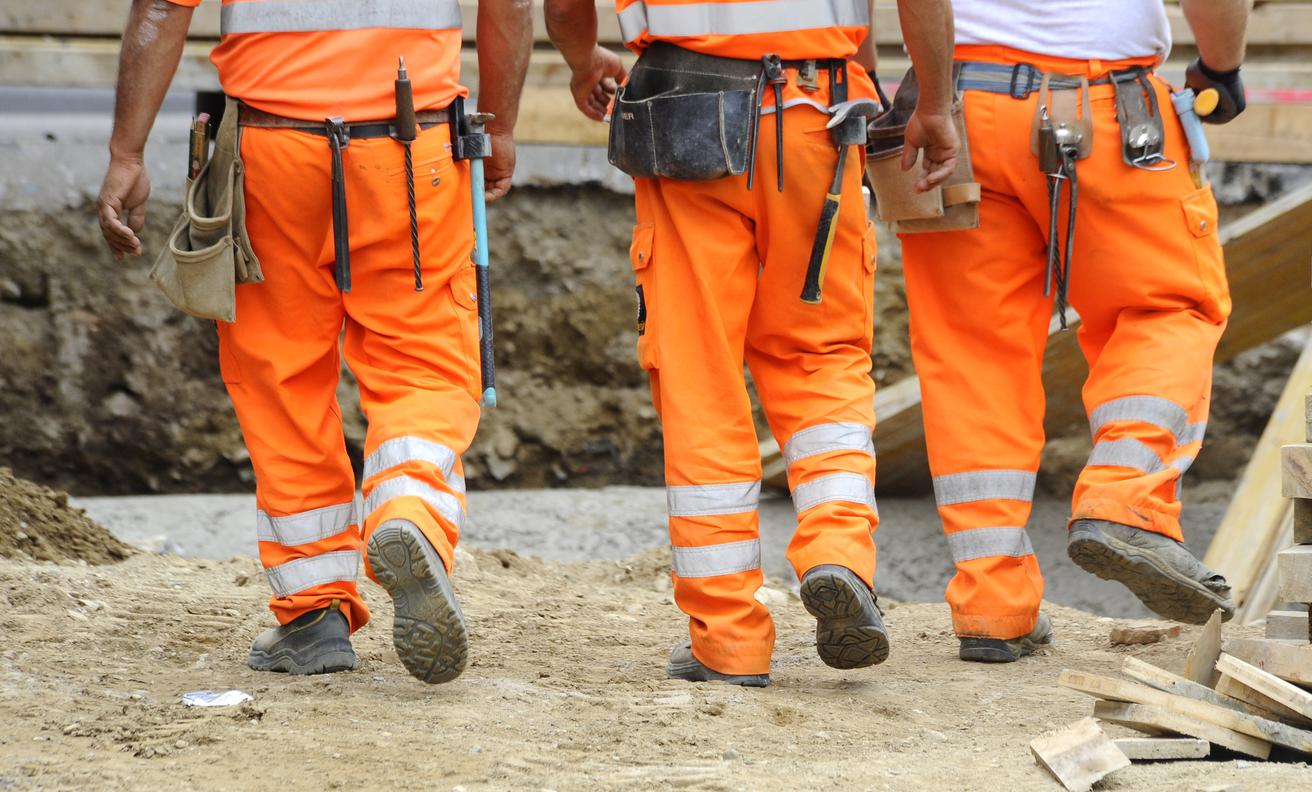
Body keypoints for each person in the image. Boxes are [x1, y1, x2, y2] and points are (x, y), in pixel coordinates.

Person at [96, 0, 532, 683]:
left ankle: (313, 615)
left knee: (280, 377)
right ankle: (410, 510)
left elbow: (160, 9)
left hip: (270, 152)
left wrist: (127, 151)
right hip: (411, 148)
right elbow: (510, 6)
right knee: (423, 361)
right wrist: (500, 127)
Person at [545, 0, 959, 687]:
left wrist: (583, 58)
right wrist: (933, 102)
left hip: (684, 114)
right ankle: (837, 552)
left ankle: (728, 638)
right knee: (820, 356)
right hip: (816, 120)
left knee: (699, 374)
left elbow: (560, 7)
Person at [891, 0, 1250, 663]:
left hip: (954, 113)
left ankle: (991, 606)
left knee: (973, 356)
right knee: (1167, 308)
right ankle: (1124, 497)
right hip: (1105, 113)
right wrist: (1220, 68)